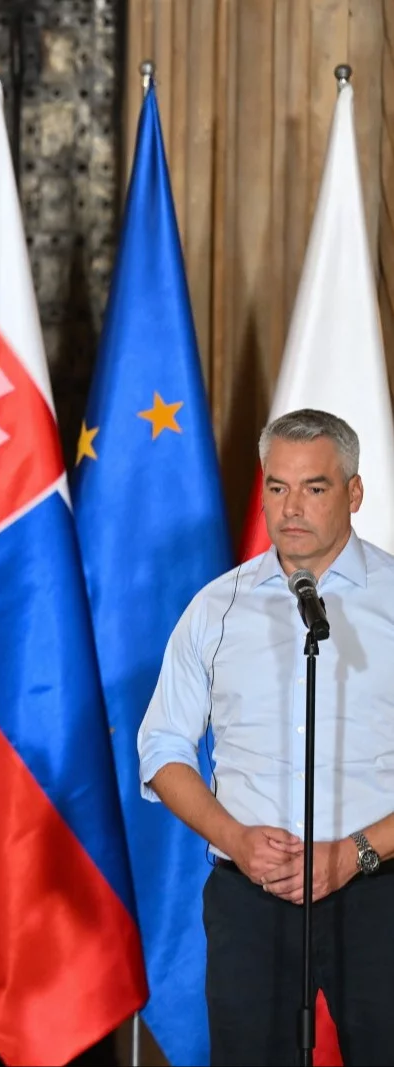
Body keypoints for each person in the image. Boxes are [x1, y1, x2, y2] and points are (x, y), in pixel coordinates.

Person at [139, 408, 394, 1064]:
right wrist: (235, 840)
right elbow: (162, 747)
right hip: (251, 896)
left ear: (354, 493)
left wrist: (354, 852)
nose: (291, 507)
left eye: (314, 487)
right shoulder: (217, 605)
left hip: (377, 890)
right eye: (277, 486)